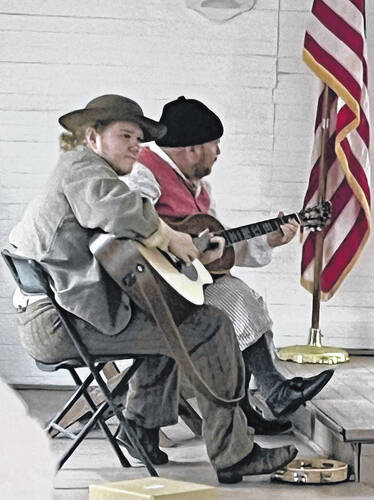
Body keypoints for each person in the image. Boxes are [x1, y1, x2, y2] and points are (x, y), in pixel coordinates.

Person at [9, 94, 297, 483]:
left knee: (167, 320)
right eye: (126, 135)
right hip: (60, 325)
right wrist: (170, 237)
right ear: (92, 137)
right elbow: (119, 211)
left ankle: (141, 433)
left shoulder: (91, 175)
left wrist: (185, 247)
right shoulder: (81, 168)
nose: (136, 146)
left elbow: (119, 242)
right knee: (209, 326)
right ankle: (235, 453)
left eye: (139, 139)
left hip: (62, 316)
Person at [122, 96, 334, 434]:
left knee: (240, 296)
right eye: (214, 144)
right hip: (151, 291)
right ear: (192, 149)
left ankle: (263, 398)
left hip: (188, 286)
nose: (218, 153)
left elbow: (218, 248)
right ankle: (270, 393)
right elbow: (129, 224)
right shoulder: (143, 173)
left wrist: (269, 240)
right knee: (234, 300)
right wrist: (175, 247)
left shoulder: (200, 189)